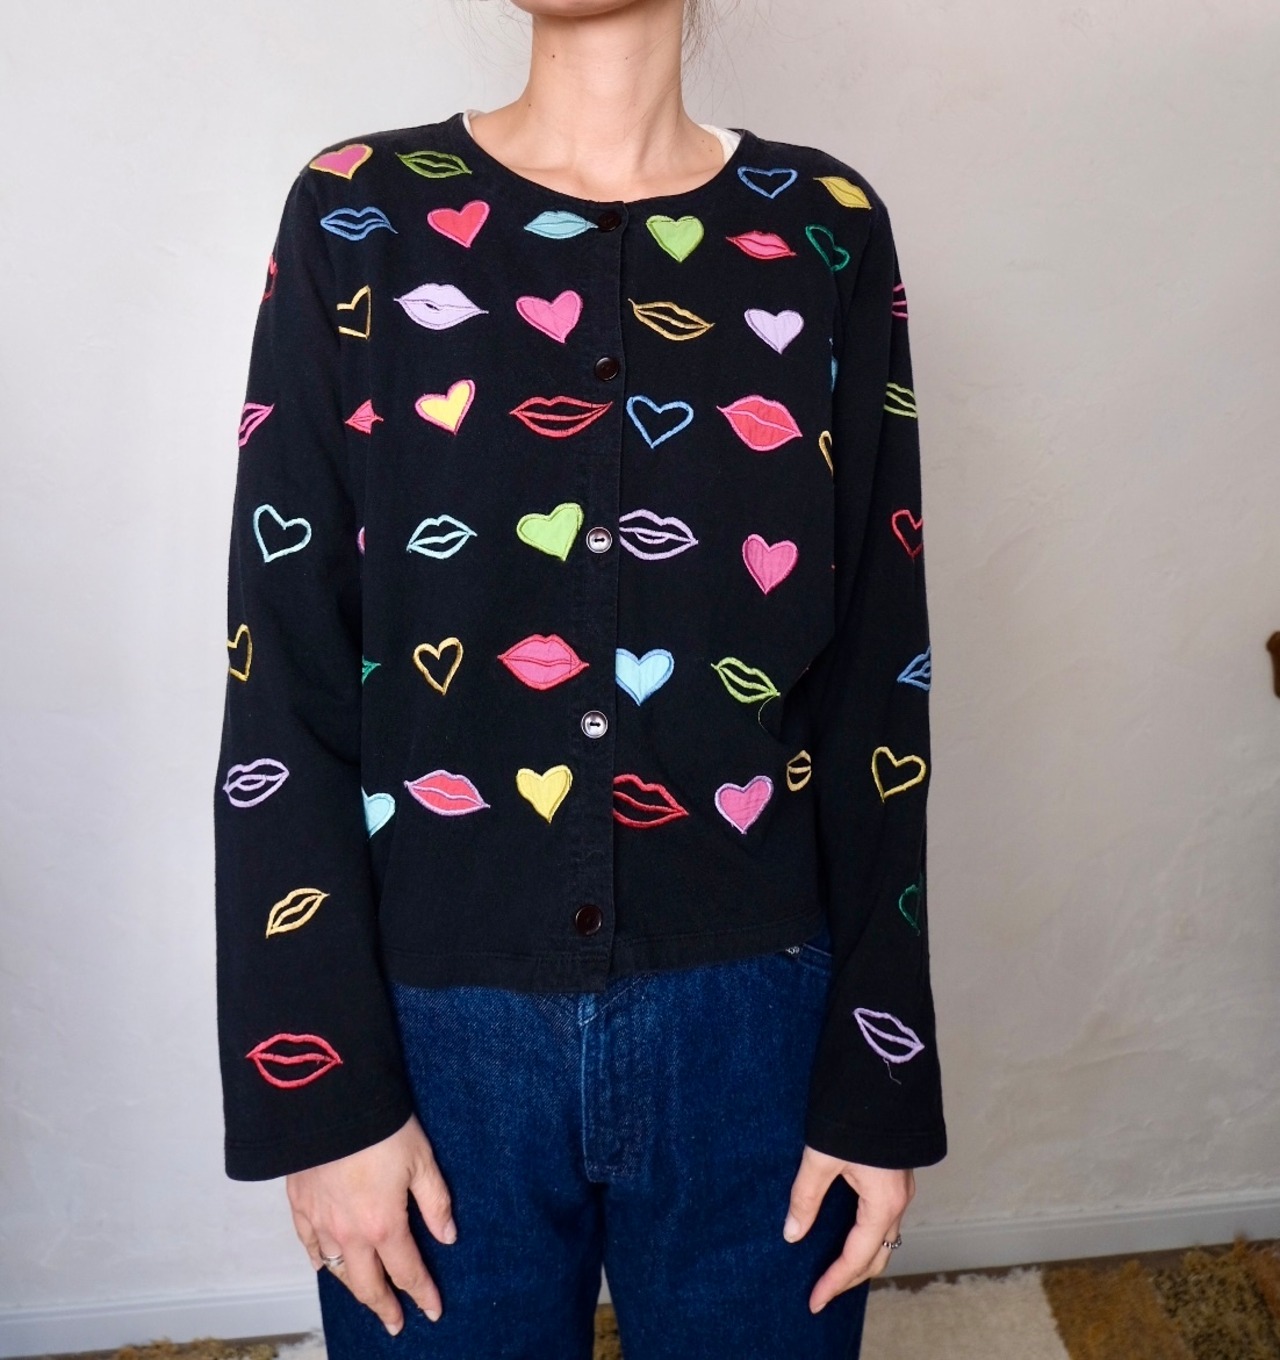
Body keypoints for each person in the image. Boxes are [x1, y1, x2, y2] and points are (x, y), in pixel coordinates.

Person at [213, 0, 947, 1354]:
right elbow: (283, 673)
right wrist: (319, 1098)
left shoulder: (824, 225)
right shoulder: (359, 212)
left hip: (756, 1022)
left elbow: (877, 676)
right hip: (433, 1027)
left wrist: (878, 1073)